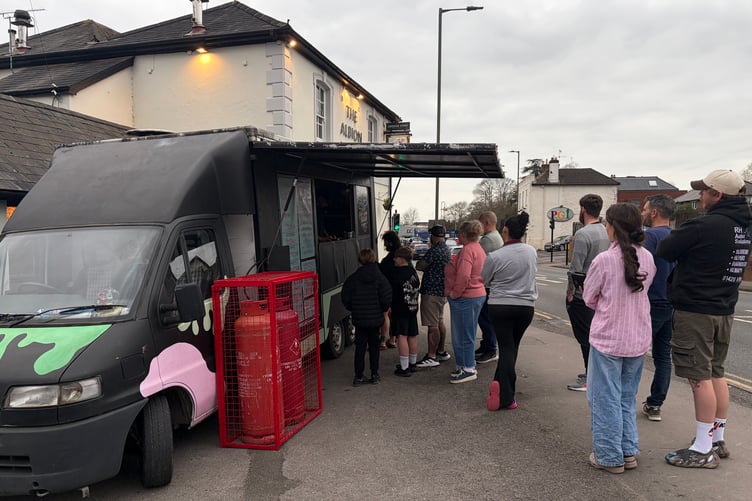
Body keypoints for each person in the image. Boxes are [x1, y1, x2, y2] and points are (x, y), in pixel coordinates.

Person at [657, 169, 751, 469]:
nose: (700, 195)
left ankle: (702, 448)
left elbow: (665, 249)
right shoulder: (744, 227)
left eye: (705, 191)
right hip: (724, 308)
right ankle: (716, 437)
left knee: (699, 378)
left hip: (696, 309)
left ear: (718, 195)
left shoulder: (703, 225)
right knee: (716, 373)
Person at [583, 203, 655, 474]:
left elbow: (589, 298)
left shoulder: (603, 260)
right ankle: (627, 451)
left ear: (613, 226)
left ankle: (608, 456)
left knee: (604, 398)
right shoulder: (647, 257)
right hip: (637, 338)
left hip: (608, 339)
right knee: (626, 396)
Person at [482, 212, 538, 411]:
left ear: (504, 231)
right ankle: (500, 382)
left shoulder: (495, 256)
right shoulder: (532, 252)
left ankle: (506, 396)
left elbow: (485, 280)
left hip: (500, 306)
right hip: (525, 307)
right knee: (513, 347)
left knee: (506, 348)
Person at [565, 194, 610, 391]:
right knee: (595, 336)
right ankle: (592, 373)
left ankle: (589, 378)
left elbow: (576, 269)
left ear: (583, 209)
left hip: (583, 295)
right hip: (603, 294)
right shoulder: (606, 231)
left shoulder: (583, 234)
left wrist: (570, 294)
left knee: (584, 337)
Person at [639, 194, 677, 422]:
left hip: (650, 302)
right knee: (663, 356)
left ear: (654, 213)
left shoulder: (649, 237)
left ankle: (624, 400)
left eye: (644, 210)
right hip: (671, 303)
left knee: (635, 353)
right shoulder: (679, 236)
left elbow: (640, 269)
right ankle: (655, 404)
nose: (642, 213)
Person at [341, 248, 392, 386]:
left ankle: (358, 376)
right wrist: (382, 309)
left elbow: (345, 296)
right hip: (375, 319)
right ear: (373, 258)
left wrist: (353, 308)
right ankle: (374, 374)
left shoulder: (353, 278)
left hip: (359, 318)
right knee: (374, 347)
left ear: (360, 260)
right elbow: (387, 297)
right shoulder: (380, 278)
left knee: (360, 347)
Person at [444, 220, 487, 384]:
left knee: (463, 334)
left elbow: (463, 276)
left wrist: (455, 293)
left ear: (463, 234)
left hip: (466, 297)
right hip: (476, 294)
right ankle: (463, 366)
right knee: (466, 332)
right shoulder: (478, 248)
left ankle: (468, 368)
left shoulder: (468, 251)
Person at [415, 225, 452, 368]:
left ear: (433, 236)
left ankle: (432, 356)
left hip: (431, 292)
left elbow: (419, 266)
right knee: (440, 321)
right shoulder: (446, 249)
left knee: (432, 325)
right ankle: (441, 351)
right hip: (442, 291)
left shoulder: (434, 250)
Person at [475, 211, 503, 364]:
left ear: (486, 223)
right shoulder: (496, 237)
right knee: (486, 317)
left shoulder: (487, 240)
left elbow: (479, 261)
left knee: (485, 318)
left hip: (487, 285)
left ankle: (491, 349)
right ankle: (486, 345)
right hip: (492, 283)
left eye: (480, 223)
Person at [388, 247, 421, 377]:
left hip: (400, 309)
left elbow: (393, 292)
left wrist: (389, 306)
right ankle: (412, 363)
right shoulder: (412, 272)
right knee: (412, 335)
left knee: (402, 336)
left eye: (396, 257)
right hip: (412, 307)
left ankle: (404, 367)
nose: (394, 259)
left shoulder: (396, 273)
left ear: (401, 259)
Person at [379, 230, 402, 349]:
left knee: (385, 314)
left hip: (389, 289)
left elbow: (384, 270)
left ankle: (382, 341)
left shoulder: (390, 258)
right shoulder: (401, 254)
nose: (385, 246)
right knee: (395, 315)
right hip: (399, 289)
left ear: (390, 243)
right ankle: (393, 339)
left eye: (386, 243)